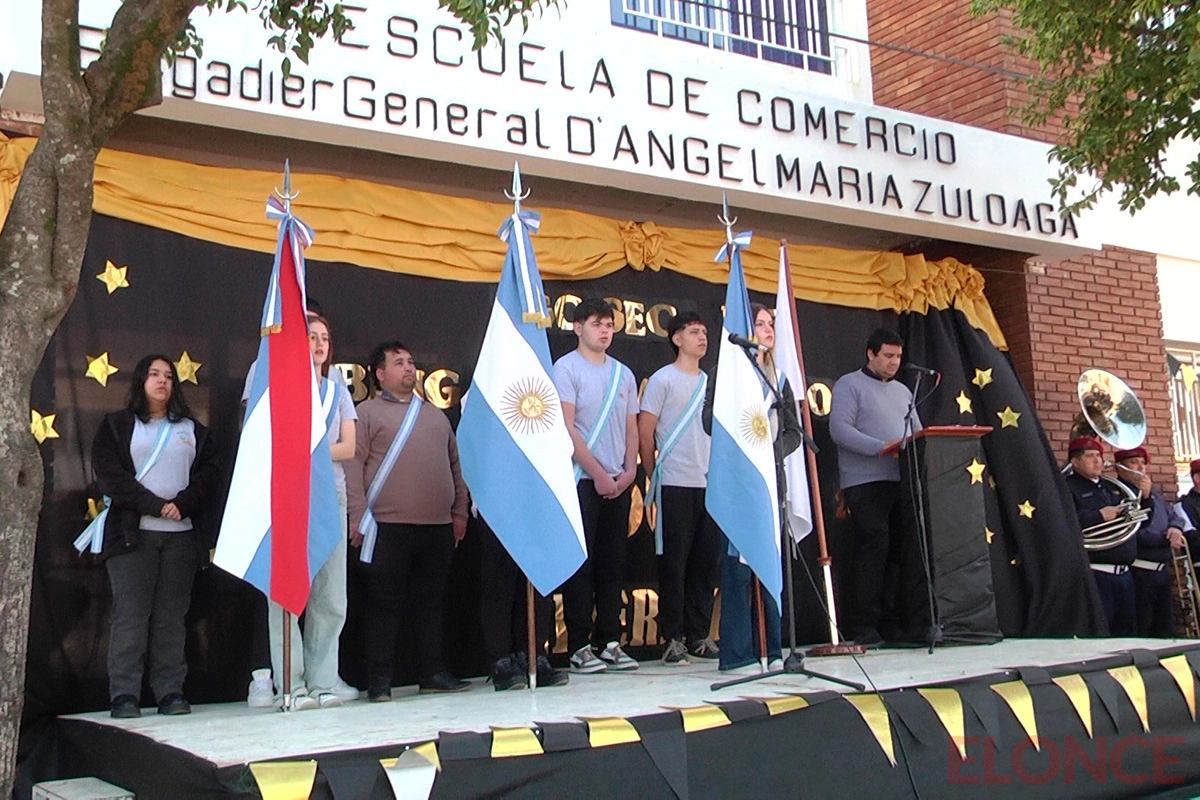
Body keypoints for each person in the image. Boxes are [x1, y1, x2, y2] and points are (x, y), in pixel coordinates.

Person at [91, 354, 219, 718]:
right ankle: (125, 696)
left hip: (180, 538)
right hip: (133, 538)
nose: (162, 381)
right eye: (154, 374)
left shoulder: (193, 430)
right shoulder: (117, 426)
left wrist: (183, 504)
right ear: (140, 381)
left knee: (170, 618)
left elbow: (208, 475)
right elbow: (110, 475)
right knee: (131, 616)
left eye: (168, 375)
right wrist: (154, 505)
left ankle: (170, 692)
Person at [346, 341, 470, 699]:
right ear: (380, 374)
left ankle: (432, 672)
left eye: (411, 362)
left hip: (437, 528)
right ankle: (380, 681)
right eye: (398, 363)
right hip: (386, 528)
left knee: (431, 603)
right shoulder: (365, 413)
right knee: (383, 604)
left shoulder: (436, 416)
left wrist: (459, 510)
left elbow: (455, 466)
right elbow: (353, 466)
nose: (408, 368)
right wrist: (358, 514)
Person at [259, 314, 358, 709]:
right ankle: (291, 685)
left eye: (324, 338)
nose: (318, 344)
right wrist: (308, 454)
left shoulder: (338, 391)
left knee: (331, 593)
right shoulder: (279, 386)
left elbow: (348, 447)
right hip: (287, 495)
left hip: (330, 496)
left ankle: (322, 682)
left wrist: (306, 453)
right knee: (285, 592)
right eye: (310, 337)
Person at [705, 303, 803, 673]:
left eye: (770, 324)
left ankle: (772, 649)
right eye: (759, 324)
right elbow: (708, 423)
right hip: (736, 484)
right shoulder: (723, 375)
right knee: (737, 571)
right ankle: (739, 654)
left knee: (767, 566)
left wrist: (769, 453)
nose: (766, 329)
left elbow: (793, 432)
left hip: (768, 481)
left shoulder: (779, 380)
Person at [553, 298, 640, 673]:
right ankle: (578, 645)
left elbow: (632, 426)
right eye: (596, 324)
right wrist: (599, 473)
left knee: (613, 563)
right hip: (583, 479)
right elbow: (566, 427)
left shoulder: (624, 373)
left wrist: (630, 471)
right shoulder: (566, 369)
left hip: (620, 481)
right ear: (577, 328)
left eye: (609, 324)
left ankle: (609, 640)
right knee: (581, 564)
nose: (604, 331)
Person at [829, 328, 924, 645]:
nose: (894, 362)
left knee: (897, 553)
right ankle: (863, 627)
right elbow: (840, 429)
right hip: (865, 482)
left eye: (898, 356)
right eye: (888, 355)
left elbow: (918, 433)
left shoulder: (904, 392)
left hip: (901, 480)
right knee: (874, 549)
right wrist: (881, 447)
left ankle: (890, 622)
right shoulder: (849, 385)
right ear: (870, 354)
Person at [639, 311, 721, 666]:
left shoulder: (712, 382)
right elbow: (646, 430)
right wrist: (651, 470)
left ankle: (699, 633)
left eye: (704, 331)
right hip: (674, 481)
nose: (701, 337)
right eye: (693, 331)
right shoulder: (663, 380)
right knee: (674, 562)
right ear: (676, 339)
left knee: (705, 562)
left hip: (709, 481)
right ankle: (673, 637)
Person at [478, 518, 570, 690]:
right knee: (499, 583)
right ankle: (501, 661)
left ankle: (534, 656)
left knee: (538, 582)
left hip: (537, 511)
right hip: (496, 506)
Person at [1064, 436, 1137, 636]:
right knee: (1101, 633)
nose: (1098, 461)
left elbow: (1136, 517)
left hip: (1125, 574)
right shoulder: (1067, 487)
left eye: (1099, 455)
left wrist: (1145, 498)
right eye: (1090, 456)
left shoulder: (1112, 487)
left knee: (1127, 634)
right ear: (1075, 461)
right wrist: (1099, 515)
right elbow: (1064, 522)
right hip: (1096, 573)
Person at [1113, 447, 1188, 637]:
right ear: (1120, 468)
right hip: (1139, 571)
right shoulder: (1117, 495)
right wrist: (1164, 539)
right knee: (1143, 626)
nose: (1140, 467)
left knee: (1164, 628)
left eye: (1143, 463)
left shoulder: (1154, 494)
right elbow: (1133, 532)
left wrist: (1176, 529)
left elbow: (1174, 516)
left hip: (1161, 572)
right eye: (1134, 462)